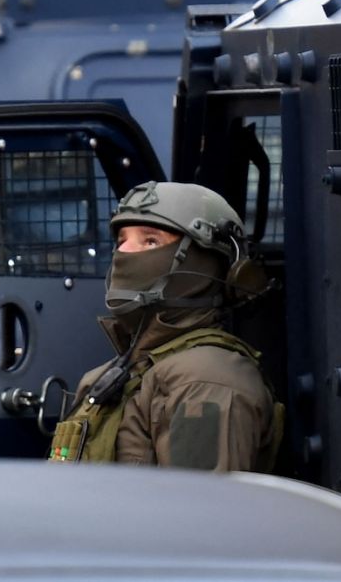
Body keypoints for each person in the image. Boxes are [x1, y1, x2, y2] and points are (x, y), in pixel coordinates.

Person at [48, 181, 278, 470]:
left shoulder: (205, 381)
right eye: (121, 240)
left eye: (151, 241)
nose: (125, 253)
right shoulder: (114, 375)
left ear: (202, 262)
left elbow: (201, 511)